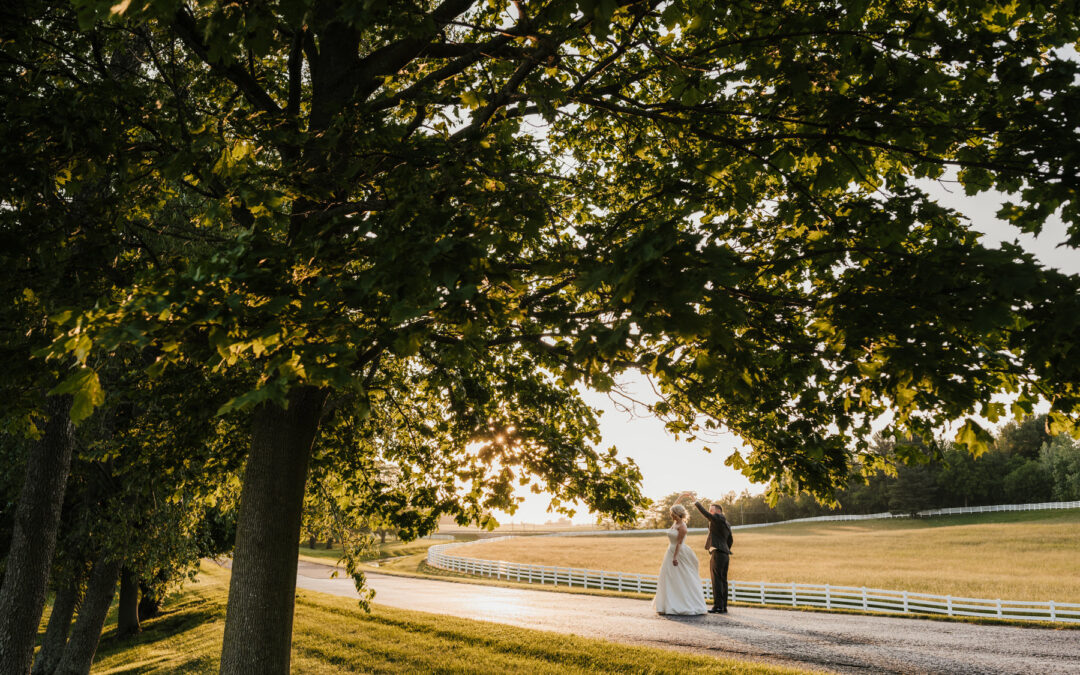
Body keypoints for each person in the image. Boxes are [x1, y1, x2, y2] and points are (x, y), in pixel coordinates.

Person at [651, 503, 708, 615]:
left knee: (681, 577)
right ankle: (666, 605)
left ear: (676, 514)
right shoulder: (675, 523)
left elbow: (679, 543)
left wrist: (675, 557)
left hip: (678, 552)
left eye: (672, 513)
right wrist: (681, 496)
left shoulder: (682, 527)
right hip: (669, 551)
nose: (670, 515)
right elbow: (673, 505)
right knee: (668, 577)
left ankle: (684, 604)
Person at [693, 497, 733, 613]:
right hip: (725, 554)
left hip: (718, 553)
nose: (710, 513)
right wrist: (726, 549)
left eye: (712, 510)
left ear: (718, 512)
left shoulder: (718, 518)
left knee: (716, 581)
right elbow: (730, 540)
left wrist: (695, 501)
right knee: (723, 581)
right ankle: (723, 606)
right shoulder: (726, 523)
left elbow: (705, 514)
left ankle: (717, 606)